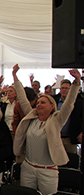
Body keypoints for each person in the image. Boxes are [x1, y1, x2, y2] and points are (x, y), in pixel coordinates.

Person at [12, 64, 81, 195]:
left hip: (48, 171)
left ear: (51, 106)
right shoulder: (31, 116)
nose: (39, 105)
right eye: (38, 103)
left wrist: (76, 82)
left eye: (43, 102)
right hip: (28, 168)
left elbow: (69, 103)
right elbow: (22, 98)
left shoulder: (57, 120)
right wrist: (15, 76)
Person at [52, 79, 82, 154]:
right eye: (62, 88)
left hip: (70, 138)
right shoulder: (53, 100)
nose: (64, 90)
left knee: (71, 160)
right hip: (55, 138)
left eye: (66, 88)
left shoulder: (79, 103)